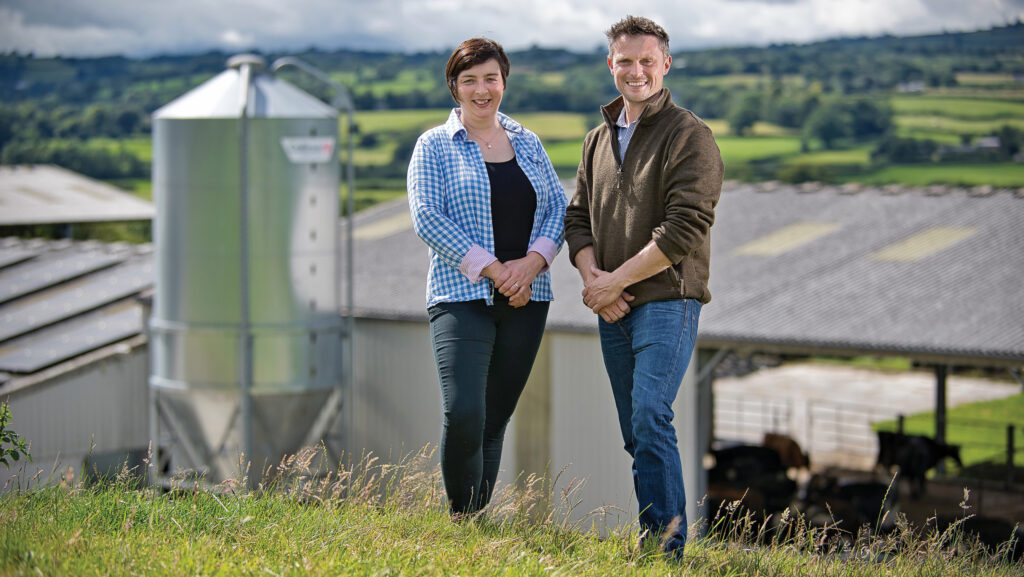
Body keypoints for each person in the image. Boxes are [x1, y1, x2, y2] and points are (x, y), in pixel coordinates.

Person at [564, 15, 723, 556]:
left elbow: (683, 229)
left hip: (667, 302)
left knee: (652, 413)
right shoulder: (596, 140)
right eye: (625, 61)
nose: (636, 71)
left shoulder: (689, 135)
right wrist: (594, 281)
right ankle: (656, 540)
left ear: (666, 65)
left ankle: (665, 550)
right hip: (614, 305)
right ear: (611, 65)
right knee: (637, 432)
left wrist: (615, 283)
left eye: (646, 61)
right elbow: (578, 219)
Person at [407, 37, 566, 518]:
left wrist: (531, 265)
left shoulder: (528, 142)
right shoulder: (434, 145)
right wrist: (497, 270)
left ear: (504, 82)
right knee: (465, 414)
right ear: (454, 86)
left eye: (490, 79)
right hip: (461, 297)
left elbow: (558, 207)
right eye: (470, 80)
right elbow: (427, 217)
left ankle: (474, 522)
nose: (482, 90)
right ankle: (459, 515)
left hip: (528, 298)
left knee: (494, 419)